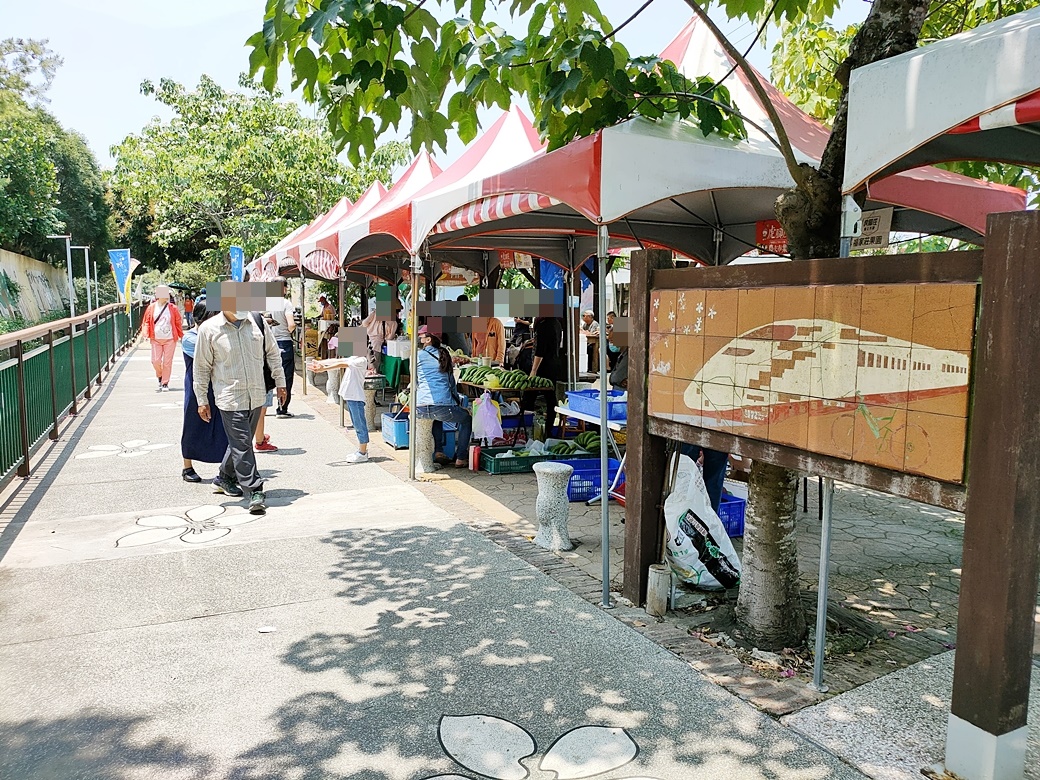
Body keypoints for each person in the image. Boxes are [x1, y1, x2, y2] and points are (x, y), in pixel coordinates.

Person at [193, 299, 287, 515]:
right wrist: (201, 400)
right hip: (229, 398)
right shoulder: (209, 329)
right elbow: (201, 368)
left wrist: (280, 382)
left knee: (240, 442)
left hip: (256, 394)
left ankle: (224, 477)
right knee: (243, 444)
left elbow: (273, 353)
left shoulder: (257, 322)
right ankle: (254, 489)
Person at [180, 298, 228, 483]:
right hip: (196, 387)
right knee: (192, 425)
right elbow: (214, 358)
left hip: (218, 386)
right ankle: (187, 467)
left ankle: (226, 469)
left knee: (222, 427)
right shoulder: (190, 338)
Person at [415, 325, 472, 468]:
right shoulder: (444, 354)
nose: (419, 339)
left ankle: (439, 451)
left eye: (421, 337)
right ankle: (460, 458)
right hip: (442, 405)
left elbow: (415, 381)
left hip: (421, 406)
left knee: (436, 417)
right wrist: (458, 403)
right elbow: (451, 384)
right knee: (466, 419)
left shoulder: (417, 356)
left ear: (428, 339)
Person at [308, 353, 371, 463]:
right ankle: (361, 451)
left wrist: (324, 368)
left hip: (356, 398)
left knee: (360, 425)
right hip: (351, 397)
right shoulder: (353, 358)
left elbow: (341, 364)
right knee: (357, 424)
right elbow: (336, 361)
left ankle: (363, 452)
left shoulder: (361, 360)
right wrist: (320, 362)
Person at [263, 277, 297, 419]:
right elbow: (291, 324)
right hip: (284, 343)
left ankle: (263, 406)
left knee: (268, 375)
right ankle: (282, 409)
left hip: (268, 344)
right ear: (283, 288)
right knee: (285, 377)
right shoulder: (286, 303)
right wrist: (290, 329)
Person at [143, 285, 183, 392]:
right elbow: (146, 322)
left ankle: (165, 382)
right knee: (155, 361)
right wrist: (146, 334)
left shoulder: (172, 308)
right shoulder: (151, 307)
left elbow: (178, 322)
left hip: (170, 338)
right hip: (156, 338)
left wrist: (181, 335)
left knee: (167, 362)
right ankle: (160, 376)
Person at [529, 316, 563, 438]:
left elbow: (540, 350)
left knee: (533, 396)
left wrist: (533, 370)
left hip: (544, 366)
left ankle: (538, 429)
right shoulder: (556, 323)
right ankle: (549, 429)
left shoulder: (545, 325)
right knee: (550, 397)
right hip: (554, 363)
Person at [580, 309, 600, 374]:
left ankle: (593, 368)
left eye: (584, 316)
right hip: (588, 342)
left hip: (595, 343)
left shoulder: (594, 324)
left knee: (590, 349)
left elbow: (592, 334)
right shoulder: (585, 324)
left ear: (590, 317)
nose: (583, 317)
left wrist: (585, 332)